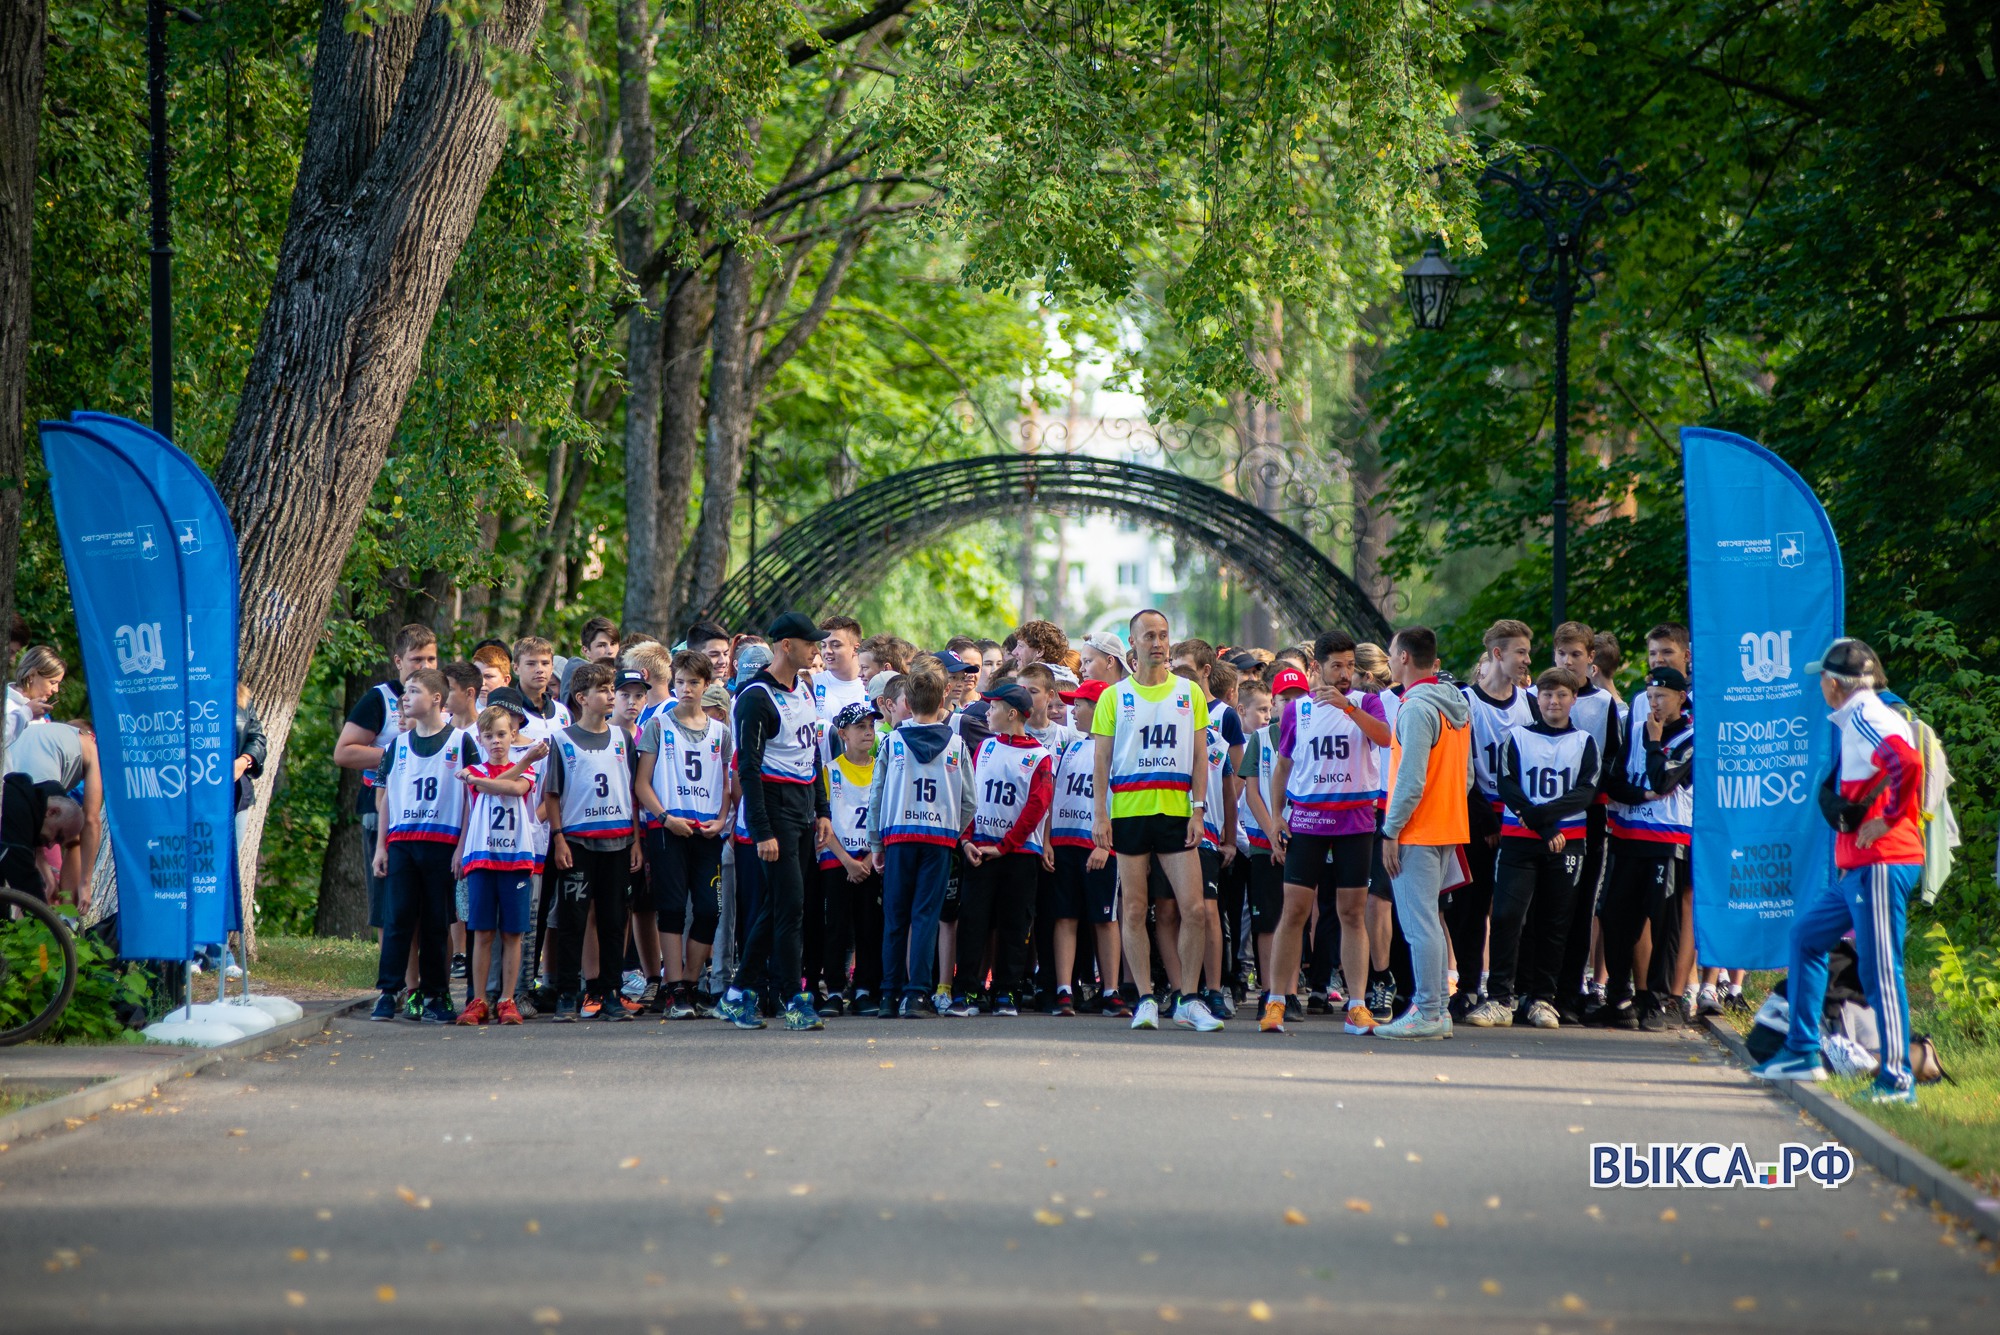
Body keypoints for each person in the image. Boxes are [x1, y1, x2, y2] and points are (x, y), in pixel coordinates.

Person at [1753, 638, 1926, 1101]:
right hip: (1864, 868)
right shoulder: (1862, 715)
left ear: (1834, 683)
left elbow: (1907, 763)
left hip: (1883, 863)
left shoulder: (1868, 716)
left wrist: (1886, 819)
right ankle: (1803, 1050)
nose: (1821, 687)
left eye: (1822, 679)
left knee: (1880, 971)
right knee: (1807, 937)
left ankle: (1897, 1079)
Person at [1090, 608, 1221, 1033]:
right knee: (1133, 908)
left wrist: (1198, 808)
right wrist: (1100, 815)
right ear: (1133, 643)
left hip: (1177, 813)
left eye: (1163, 635)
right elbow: (1102, 760)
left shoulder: (1189, 693)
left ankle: (1188, 998)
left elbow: (1201, 756)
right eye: (1148, 636)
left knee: (1195, 909)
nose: (1158, 643)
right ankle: (1146, 997)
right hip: (1129, 812)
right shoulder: (1114, 697)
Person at [1264, 631, 1391, 1035]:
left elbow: (1386, 738)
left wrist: (1350, 710)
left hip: (1355, 819)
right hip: (1308, 820)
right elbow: (1283, 766)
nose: (1345, 674)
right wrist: (1276, 817)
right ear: (1317, 667)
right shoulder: (1296, 711)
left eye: (1351, 665)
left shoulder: (1366, 702)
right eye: (1337, 665)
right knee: (1295, 912)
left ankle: (1357, 1004)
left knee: (1352, 913)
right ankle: (1276, 1002)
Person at [716, 613, 835, 1032]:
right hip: (774, 808)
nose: (817, 649)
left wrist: (822, 810)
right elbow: (747, 768)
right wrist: (762, 830)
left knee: (781, 905)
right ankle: (792, 996)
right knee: (791, 907)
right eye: (810, 643)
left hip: (802, 806)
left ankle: (737, 993)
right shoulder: (754, 697)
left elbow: (812, 755)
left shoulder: (803, 689)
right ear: (787, 645)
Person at [1472, 667, 1600, 1028]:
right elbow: (1508, 786)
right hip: (1519, 841)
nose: (1553, 701)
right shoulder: (1517, 738)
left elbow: (1584, 793)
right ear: (1537, 699)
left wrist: (1542, 818)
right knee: (1506, 916)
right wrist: (1543, 826)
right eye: (1546, 694)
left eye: (1561, 695)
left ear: (1573, 699)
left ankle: (1542, 998)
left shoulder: (1583, 742)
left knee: (1554, 921)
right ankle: (1499, 997)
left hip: (1567, 844)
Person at [1375, 626, 1473, 1041]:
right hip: (1446, 825)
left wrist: (1391, 830)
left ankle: (1430, 1010)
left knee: (1419, 925)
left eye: (1392, 653)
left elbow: (1410, 779)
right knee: (1429, 920)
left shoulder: (1414, 708)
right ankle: (1436, 1010)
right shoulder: (1456, 706)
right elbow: (1466, 776)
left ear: (1402, 658)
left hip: (1416, 829)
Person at [369, 668, 479, 1025]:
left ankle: (437, 992)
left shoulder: (460, 742)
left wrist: (463, 846)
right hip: (403, 842)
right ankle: (390, 991)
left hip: (442, 842)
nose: (405, 697)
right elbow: (386, 797)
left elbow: (470, 799)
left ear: (436, 698)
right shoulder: (396, 746)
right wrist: (381, 847)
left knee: (437, 922)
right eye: (404, 691)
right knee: (398, 917)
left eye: (413, 691)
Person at [868, 659, 972, 1018]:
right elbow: (969, 802)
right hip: (939, 839)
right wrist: (951, 831)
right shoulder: (956, 744)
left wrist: (875, 843)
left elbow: (876, 796)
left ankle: (888, 994)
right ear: (944, 698)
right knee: (926, 915)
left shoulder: (893, 742)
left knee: (895, 916)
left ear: (907, 704)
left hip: (898, 836)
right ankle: (917, 994)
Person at [1595, 664, 1694, 1031]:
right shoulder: (1634, 730)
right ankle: (1620, 997)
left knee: (1664, 920)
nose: (1654, 704)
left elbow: (1663, 778)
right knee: (1614, 915)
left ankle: (1658, 999)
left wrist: (1655, 743)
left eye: (1662, 697)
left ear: (1680, 698)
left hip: (1666, 843)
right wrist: (1644, 793)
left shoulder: (1689, 736)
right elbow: (1615, 782)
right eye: (1649, 697)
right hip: (1627, 836)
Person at [635, 650, 732, 1019]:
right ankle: (674, 987)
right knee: (672, 908)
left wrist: (722, 818)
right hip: (669, 830)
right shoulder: (659, 726)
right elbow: (641, 784)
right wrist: (664, 817)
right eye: (680, 682)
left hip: (706, 831)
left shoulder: (720, 732)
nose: (686, 689)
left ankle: (691, 984)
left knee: (709, 909)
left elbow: (725, 783)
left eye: (694, 682)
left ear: (706, 685)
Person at [947, 681, 1054, 1017]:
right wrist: (966, 839)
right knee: (973, 922)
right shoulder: (986, 748)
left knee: (1014, 923)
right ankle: (966, 991)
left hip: (1018, 856)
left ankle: (1006, 992)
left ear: (1011, 713)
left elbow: (1036, 808)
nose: (987, 712)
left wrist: (1005, 846)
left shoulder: (1040, 756)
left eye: (993, 708)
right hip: (980, 851)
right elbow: (971, 795)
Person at [1454, 619, 1537, 1018]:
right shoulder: (1466, 701)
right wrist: (1484, 819)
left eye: (1528, 652)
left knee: (1513, 909)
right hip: (1478, 816)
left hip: (1519, 818)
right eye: (1520, 652)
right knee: (1470, 907)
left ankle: (1512, 987)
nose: (1527, 660)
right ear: (1498, 654)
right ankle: (1468, 985)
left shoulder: (1530, 703)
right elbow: (1459, 766)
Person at [335, 624, 439, 942]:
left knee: (427, 900)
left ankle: (421, 979)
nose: (424, 667)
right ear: (398, 661)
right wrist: (397, 754)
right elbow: (345, 752)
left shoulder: (439, 699)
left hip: (429, 813)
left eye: (431, 660)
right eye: (416, 659)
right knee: (388, 900)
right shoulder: (381, 698)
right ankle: (390, 975)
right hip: (382, 808)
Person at [450, 704, 546, 1025]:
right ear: (479, 739)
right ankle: (479, 999)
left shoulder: (525, 772)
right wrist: (526, 758)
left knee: (513, 932)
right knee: (482, 931)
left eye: (502, 734)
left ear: (512, 735)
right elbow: (487, 785)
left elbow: (515, 788)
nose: (496, 742)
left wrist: (522, 763)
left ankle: (507, 998)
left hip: (516, 859)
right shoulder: (479, 769)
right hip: (482, 858)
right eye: (488, 736)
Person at [1050, 679, 1124, 1017]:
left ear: (1098, 710)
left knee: (1104, 919)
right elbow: (1056, 795)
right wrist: (1049, 839)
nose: (1071, 709)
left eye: (1078, 703)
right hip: (1065, 843)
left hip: (1098, 848)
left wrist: (1107, 846)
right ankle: (1064, 990)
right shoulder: (1071, 747)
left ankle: (1111, 990)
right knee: (1065, 916)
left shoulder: (1116, 751)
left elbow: (1121, 802)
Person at [814, 702, 881, 1016]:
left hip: (871, 862)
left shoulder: (882, 767)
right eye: (860, 727)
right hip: (837, 861)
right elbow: (824, 820)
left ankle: (864, 988)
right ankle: (835, 990)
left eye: (870, 726)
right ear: (843, 733)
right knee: (837, 927)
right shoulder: (831, 771)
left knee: (869, 924)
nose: (868, 732)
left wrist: (868, 859)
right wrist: (847, 861)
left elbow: (884, 815)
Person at [0, 773, 81, 898]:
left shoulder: (27, 801)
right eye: (58, 836)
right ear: (52, 812)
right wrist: (43, 915)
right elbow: (22, 876)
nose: (50, 845)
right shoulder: (18, 810)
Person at [812, 616, 869, 724]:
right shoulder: (810, 685)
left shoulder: (872, 685)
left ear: (856, 649)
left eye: (835, 645)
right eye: (823, 646)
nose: (827, 651)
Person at [6, 645, 63, 750]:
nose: (56, 690)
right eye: (53, 682)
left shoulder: (41, 713)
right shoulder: (5, 703)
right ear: (32, 675)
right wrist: (27, 712)